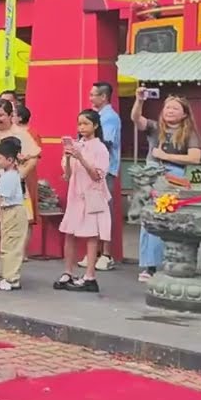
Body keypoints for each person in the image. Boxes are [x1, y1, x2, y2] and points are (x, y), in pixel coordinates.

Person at [130, 88, 201, 281]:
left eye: (175, 108)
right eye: (167, 107)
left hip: (173, 177)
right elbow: (136, 119)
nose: (170, 111)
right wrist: (139, 101)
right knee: (149, 221)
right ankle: (149, 265)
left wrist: (165, 156)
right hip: (151, 177)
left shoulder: (190, 132)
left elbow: (195, 157)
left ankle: (167, 263)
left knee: (167, 221)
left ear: (184, 113)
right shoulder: (155, 127)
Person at [53, 110, 112, 293]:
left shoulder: (100, 148)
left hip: (93, 194)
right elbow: (67, 175)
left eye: (86, 124)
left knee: (91, 235)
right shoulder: (76, 145)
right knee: (69, 232)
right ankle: (68, 272)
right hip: (75, 194)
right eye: (79, 124)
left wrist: (81, 158)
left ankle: (89, 275)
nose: (82, 128)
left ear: (95, 126)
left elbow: (97, 175)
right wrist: (70, 157)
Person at [82, 82, 121, 272]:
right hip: (90, 169)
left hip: (105, 170)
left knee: (104, 210)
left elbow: (107, 142)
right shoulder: (96, 115)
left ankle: (107, 254)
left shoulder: (111, 117)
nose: (90, 98)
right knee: (93, 210)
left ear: (103, 97)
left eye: (93, 95)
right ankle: (94, 252)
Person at [0, 137, 27, 291]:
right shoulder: (7, 174)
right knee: (7, 245)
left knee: (11, 246)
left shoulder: (10, 176)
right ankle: (9, 276)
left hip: (13, 211)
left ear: (10, 160)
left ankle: (11, 278)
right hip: (9, 211)